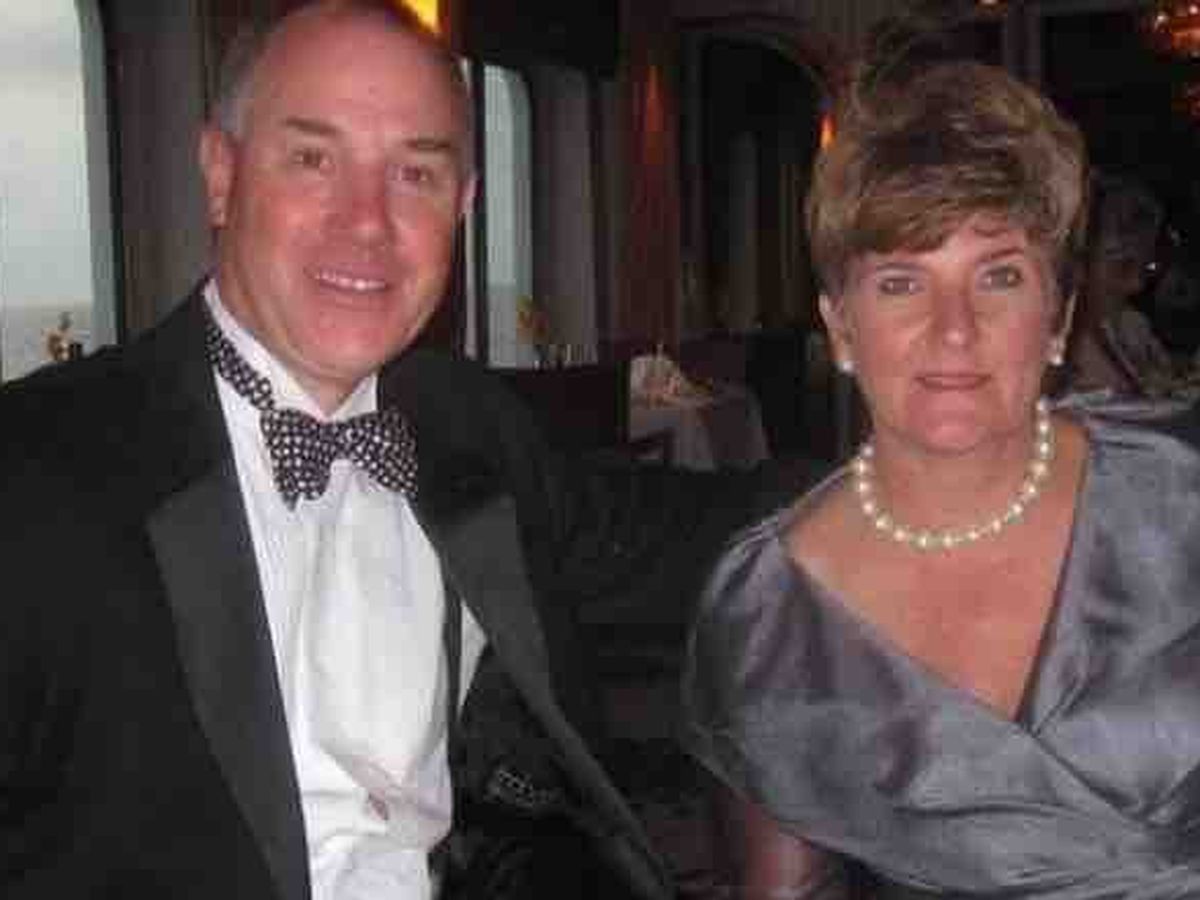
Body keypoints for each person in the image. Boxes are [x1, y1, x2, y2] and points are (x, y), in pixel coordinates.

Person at [0, 2, 804, 897]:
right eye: (314, 159)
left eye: (416, 174)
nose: (367, 222)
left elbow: (679, 534)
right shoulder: (36, 476)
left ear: (462, 205)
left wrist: (914, 480)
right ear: (220, 176)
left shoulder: (461, 418)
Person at [683, 55, 1200, 899]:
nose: (953, 329)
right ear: (840, 326)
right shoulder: (768, 619)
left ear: (1059, 316)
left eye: (999, 275)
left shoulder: (1183, 484)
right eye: (900, 283)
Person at [1067, 174, 1179, 398]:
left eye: (1146, 266)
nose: (1137, 284)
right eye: (1123, 265)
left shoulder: (1131, 325)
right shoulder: (1045, 345)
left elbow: (1168, 381)